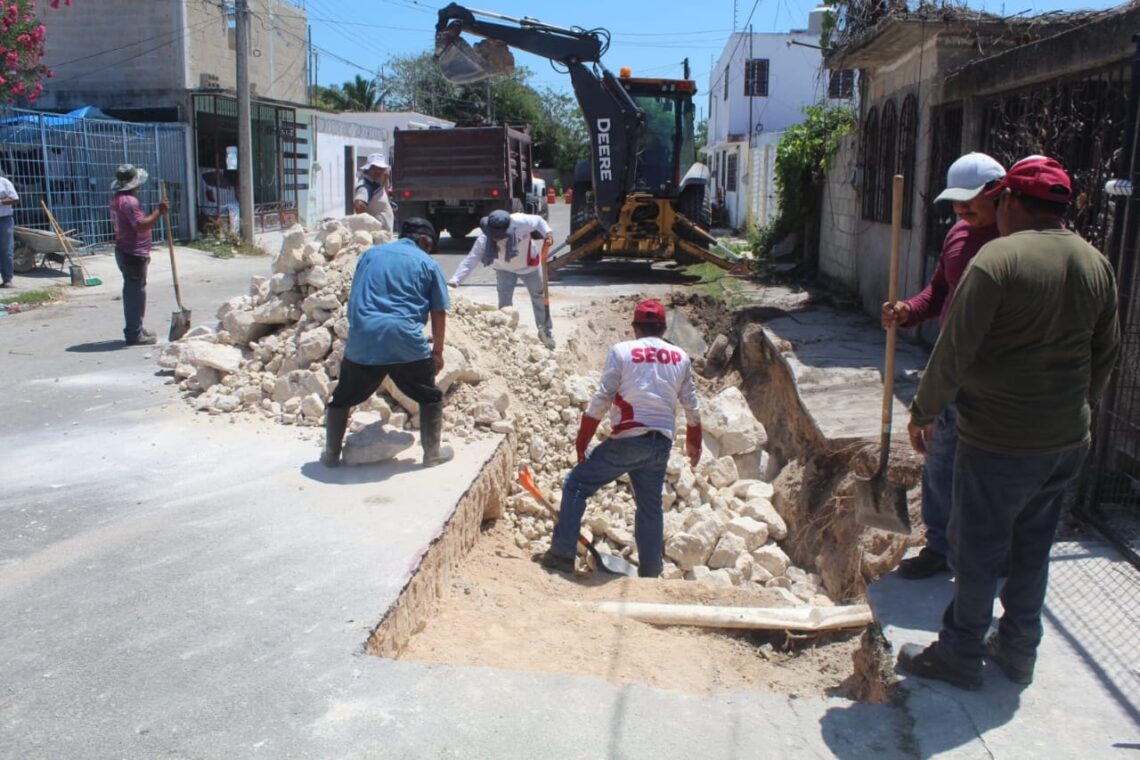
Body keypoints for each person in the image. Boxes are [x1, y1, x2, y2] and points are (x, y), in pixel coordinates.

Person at [896, 156, 1120, 691]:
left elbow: (955, 348)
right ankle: (1018, 651)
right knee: (1032, 548)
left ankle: (960, 651)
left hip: (999, 439)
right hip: (1067, 440)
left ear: (1012, 201)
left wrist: (924, 410)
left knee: (978, 548)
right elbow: (1106, 352)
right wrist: (1080, 407)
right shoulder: (1096, 263)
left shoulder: (998, 260)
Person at [881, 152, 1005, 579]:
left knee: (990, 472)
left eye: (970, 203)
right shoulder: (958, 234)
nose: (962, 211)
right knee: (939, 464)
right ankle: (938, 548)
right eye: (956, 203)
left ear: (998, 192)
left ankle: (992, 553)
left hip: (996, 377)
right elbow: (939, 292)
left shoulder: (1013, 238)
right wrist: (907, 311)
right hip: (952, 370)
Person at [540, 299, 703, 578]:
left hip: (628, 439)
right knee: (650, 508)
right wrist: (694, 443)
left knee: (577, 484)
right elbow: (692, 405)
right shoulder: (680, 357)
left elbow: (602, 398)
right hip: (661, 443)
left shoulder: (622, 352)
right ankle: (651, 573)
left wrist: (583, 440)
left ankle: (562, 553)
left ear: (635, 328)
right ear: (664, 328)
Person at [322, 217, 453, 469]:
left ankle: (330, 455)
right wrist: (437, 352)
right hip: (406, 340)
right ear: (425, 241)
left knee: (342, 398)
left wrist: (359, 332)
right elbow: (438, 311)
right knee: (429, 396)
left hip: (364, 337)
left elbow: (356, 297)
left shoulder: (370, 255)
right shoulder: (427, 263)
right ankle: (432, 454)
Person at [448, 209, 556, 348]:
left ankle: (545, 332)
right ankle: (506, 335)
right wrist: (454, 281)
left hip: (529, 266)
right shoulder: (484, 238)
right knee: (505, 305)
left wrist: (548, 233)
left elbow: (539, 221)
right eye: (495, 236)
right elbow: (471, 260)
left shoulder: (521, 221)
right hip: (504, 269)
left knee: (539, 297)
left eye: (501, 236)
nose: (497, 239)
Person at [109, 164, 168, 345]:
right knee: (135, 292)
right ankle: (134, 333)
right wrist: (160, 211)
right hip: (132, 253)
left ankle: (137, 327)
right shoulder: (129, 202)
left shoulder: (118, 199)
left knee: (134, 290)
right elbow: (141, 225)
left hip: (126, 250)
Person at [353, 153, 394, 233]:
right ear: (368, 169)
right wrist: (371, 226)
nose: (378, 171)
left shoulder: (375, 183)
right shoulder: (365, 185)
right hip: (377, 235)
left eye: (381, 168)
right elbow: (359, 205)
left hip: (383, 234)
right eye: (374, 168)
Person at [0, 170, 18, 288]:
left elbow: (15, 199)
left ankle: (7, 279)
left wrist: (1, 202)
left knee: (6, 250)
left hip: (4, 220)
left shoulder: (4, 182)